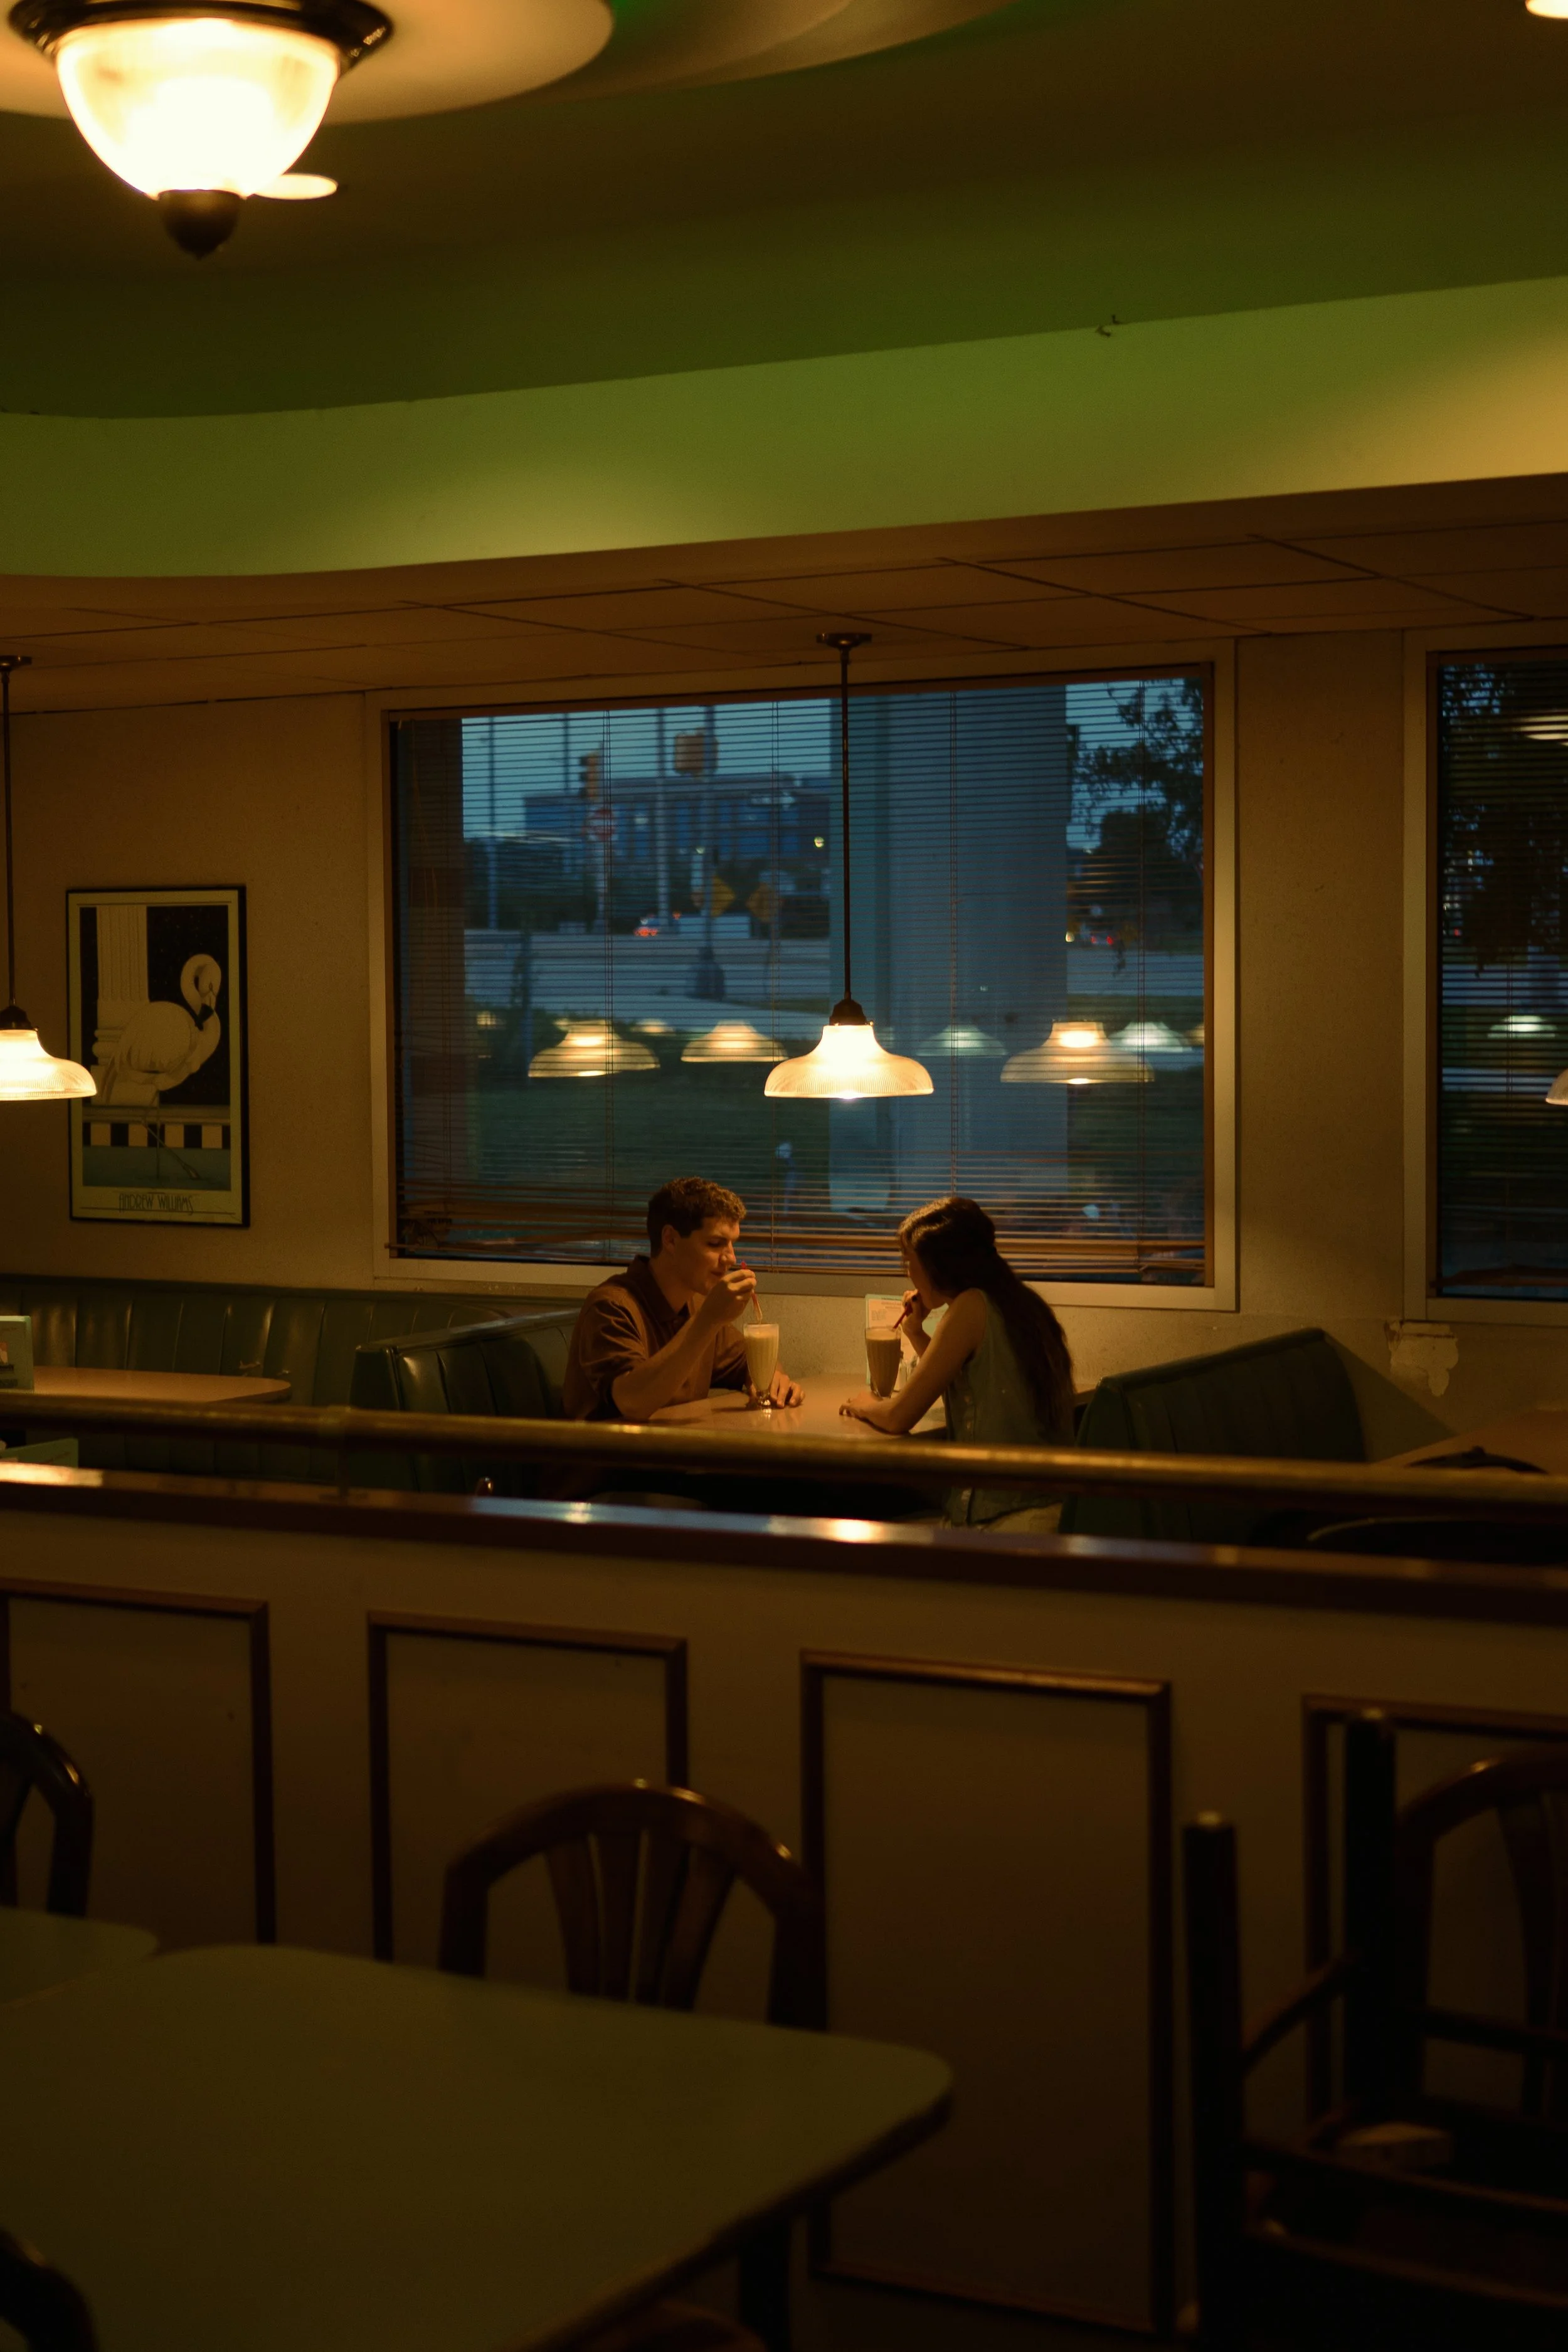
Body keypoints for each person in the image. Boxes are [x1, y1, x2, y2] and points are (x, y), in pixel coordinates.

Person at [839, 1195, 1074, 1532]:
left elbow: (898, 1416)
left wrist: (866, 1405)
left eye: (908, 1260)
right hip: (1050, 1512)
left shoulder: (969, 1307)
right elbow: (963, 1373)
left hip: (1005, 1522)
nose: (907, 1274)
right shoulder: (1023, 1304)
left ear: (937, 1262)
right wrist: (916, 1332)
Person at [564, 1175, 804, 1422]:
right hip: (612, 1455)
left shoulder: (695, 1303)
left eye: (732, 1244)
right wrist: (708, 1320)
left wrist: (774, 1379)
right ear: (670, 1240)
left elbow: (747, 1360)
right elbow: (632, 1402)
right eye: (715, 1243)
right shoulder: (611, 1307)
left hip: (676, 1452)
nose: (731, 1258)